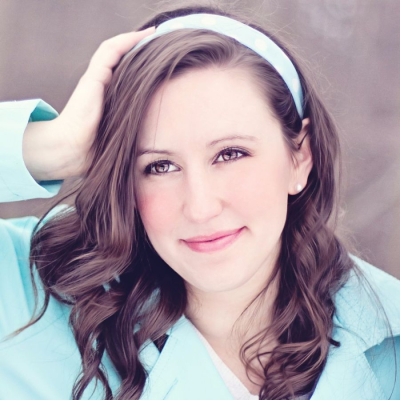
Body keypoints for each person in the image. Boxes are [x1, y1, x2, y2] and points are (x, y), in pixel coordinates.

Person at [0, 4, 399, 400]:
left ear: (300, 157)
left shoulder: (390, 342)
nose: (201, 207)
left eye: (230, 154)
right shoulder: (35, 298)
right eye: (160, 166)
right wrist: (54, 148)